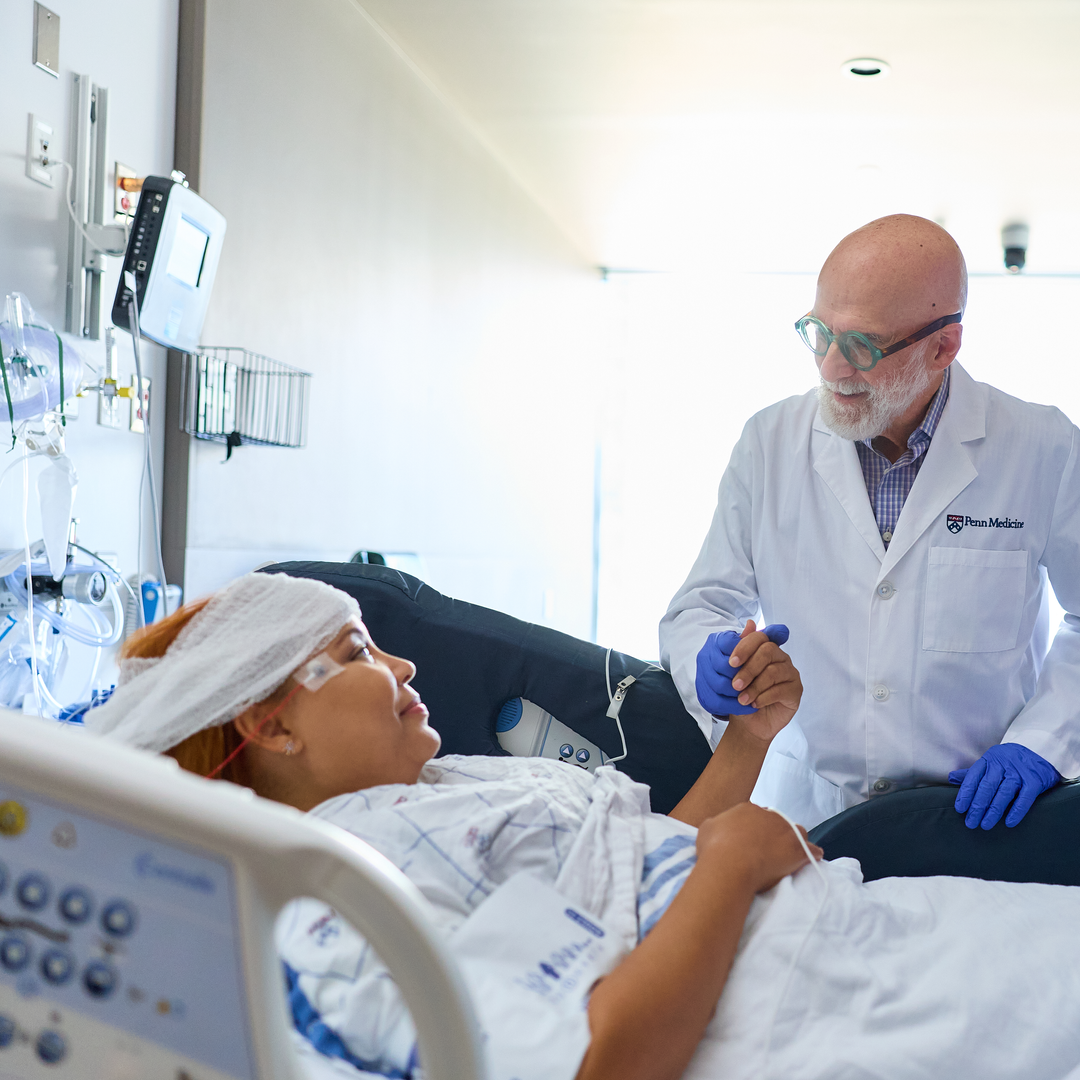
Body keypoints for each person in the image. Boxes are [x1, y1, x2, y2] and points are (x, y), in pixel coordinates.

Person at [86, 572, 1080, 1080]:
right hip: (820, 1013)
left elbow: (629, 881)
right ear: (269, 724)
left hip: (851, 941)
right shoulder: (327, 907)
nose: (405, 668)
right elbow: (593, 1061)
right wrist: (731, 870)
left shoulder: (441, 789)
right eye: (359, 652)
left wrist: (745, 746)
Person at [660, 213, 1080, 831]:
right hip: (803, 810)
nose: (830, 367)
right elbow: (702, 604)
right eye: (819, 333)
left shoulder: (1043, 448)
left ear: (943, 347)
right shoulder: (769, 442)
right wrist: (712, 659)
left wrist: (1045, 741)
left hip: (973, 815)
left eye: (860, 345)